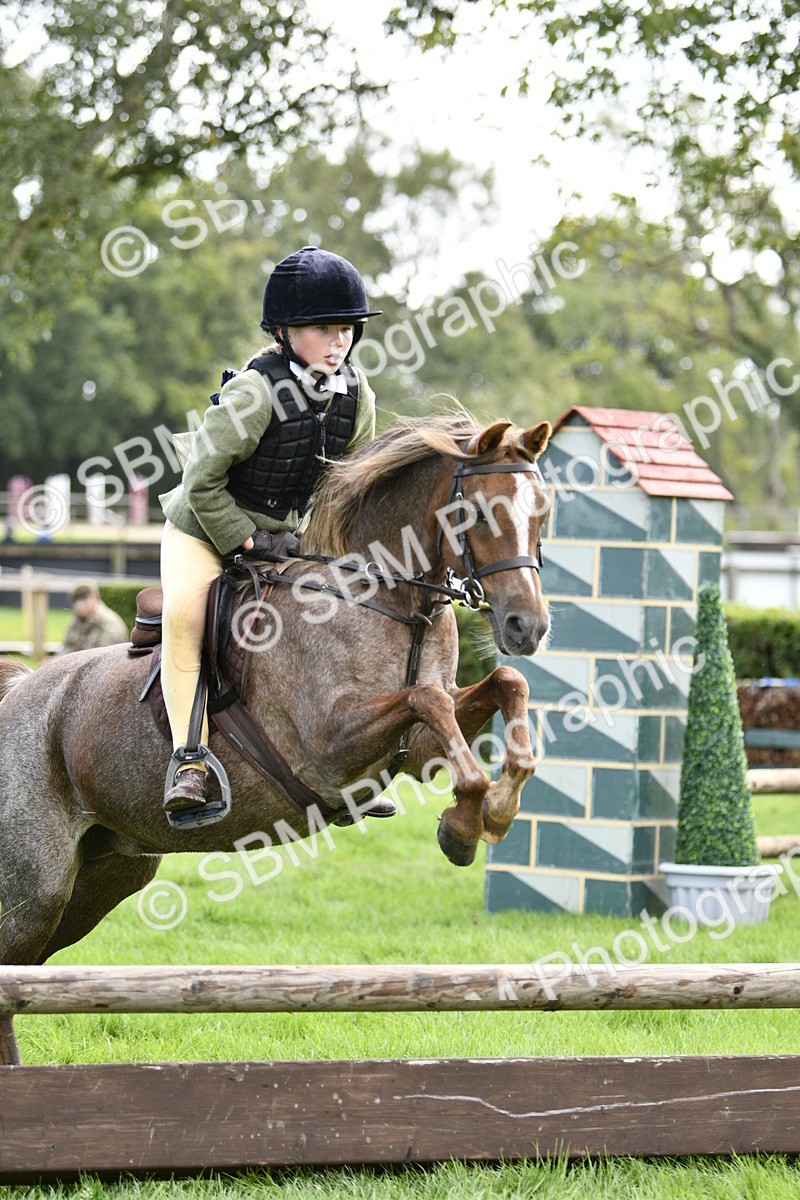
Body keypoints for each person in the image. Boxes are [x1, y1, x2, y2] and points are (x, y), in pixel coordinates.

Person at [157, 245, 396, 823]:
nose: (339, 342)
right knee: (187, 620)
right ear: (286, 332)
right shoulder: (253, 393)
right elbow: (201, 483)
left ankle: (345, 769)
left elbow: (345, 486)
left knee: (339, 616)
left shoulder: (357, 397)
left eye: (347, 329)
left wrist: (327, 548)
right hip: (205, 529)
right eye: (323, 329)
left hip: (288, 538)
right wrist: (245, 540)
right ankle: (190, 760)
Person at [61, 580, 128, 653]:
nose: (79, 604)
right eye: (76, 600)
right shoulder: (76, 622)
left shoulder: (109, 624)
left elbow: (109, 657)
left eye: (84, 598)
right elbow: (66, 650)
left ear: (96, 599)